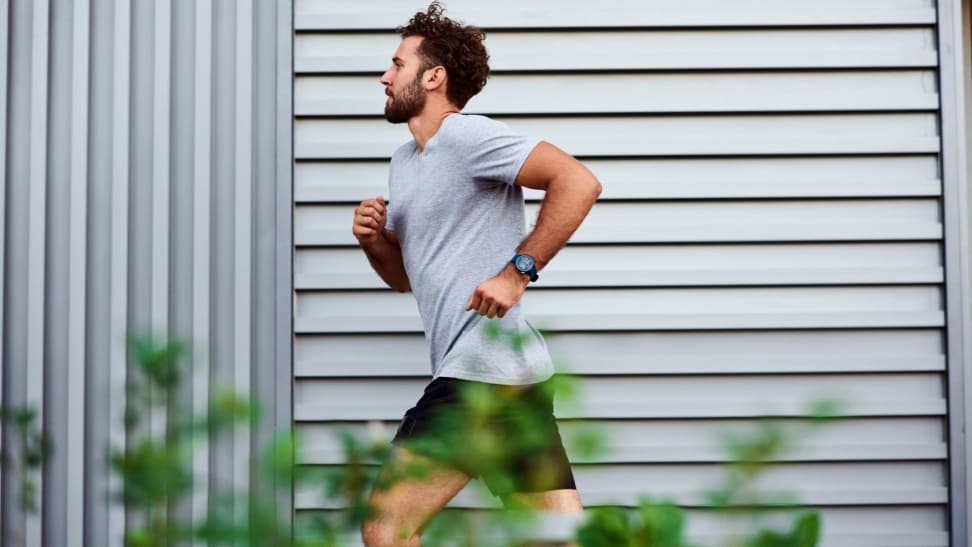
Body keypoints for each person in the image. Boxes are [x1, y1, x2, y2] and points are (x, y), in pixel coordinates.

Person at [353, 3, 601, 545]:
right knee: (557, 538)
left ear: (433, 76)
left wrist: (517, 273)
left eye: (397, 65)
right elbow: (403, 278)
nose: (385, 76)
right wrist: (374, 242)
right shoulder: (404, 161)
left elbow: (578, 182)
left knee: (385, 530)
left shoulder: (467, 137)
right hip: (516, 376)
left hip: (478, 373)